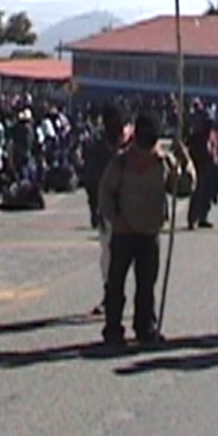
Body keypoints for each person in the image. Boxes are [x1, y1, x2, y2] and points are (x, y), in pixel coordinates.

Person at [99, 112, 193, 346]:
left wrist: (186, 161)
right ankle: (112, 328)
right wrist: (113, 218)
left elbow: (183, 188)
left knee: (146, 286)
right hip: (123, 232)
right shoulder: (121, 162)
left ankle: (145, 327)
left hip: (149, 232)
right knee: (116, 284)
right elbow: (105, 193)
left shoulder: (164, 162)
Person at [81, 104, 129, 315]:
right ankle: (111, 297)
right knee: (109, 258)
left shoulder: (132, 151)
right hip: (110, 213)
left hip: (127, 214)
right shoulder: (99, 151)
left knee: (119, 259)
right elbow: (92, 182)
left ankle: (128, 300)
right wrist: (95, 209)